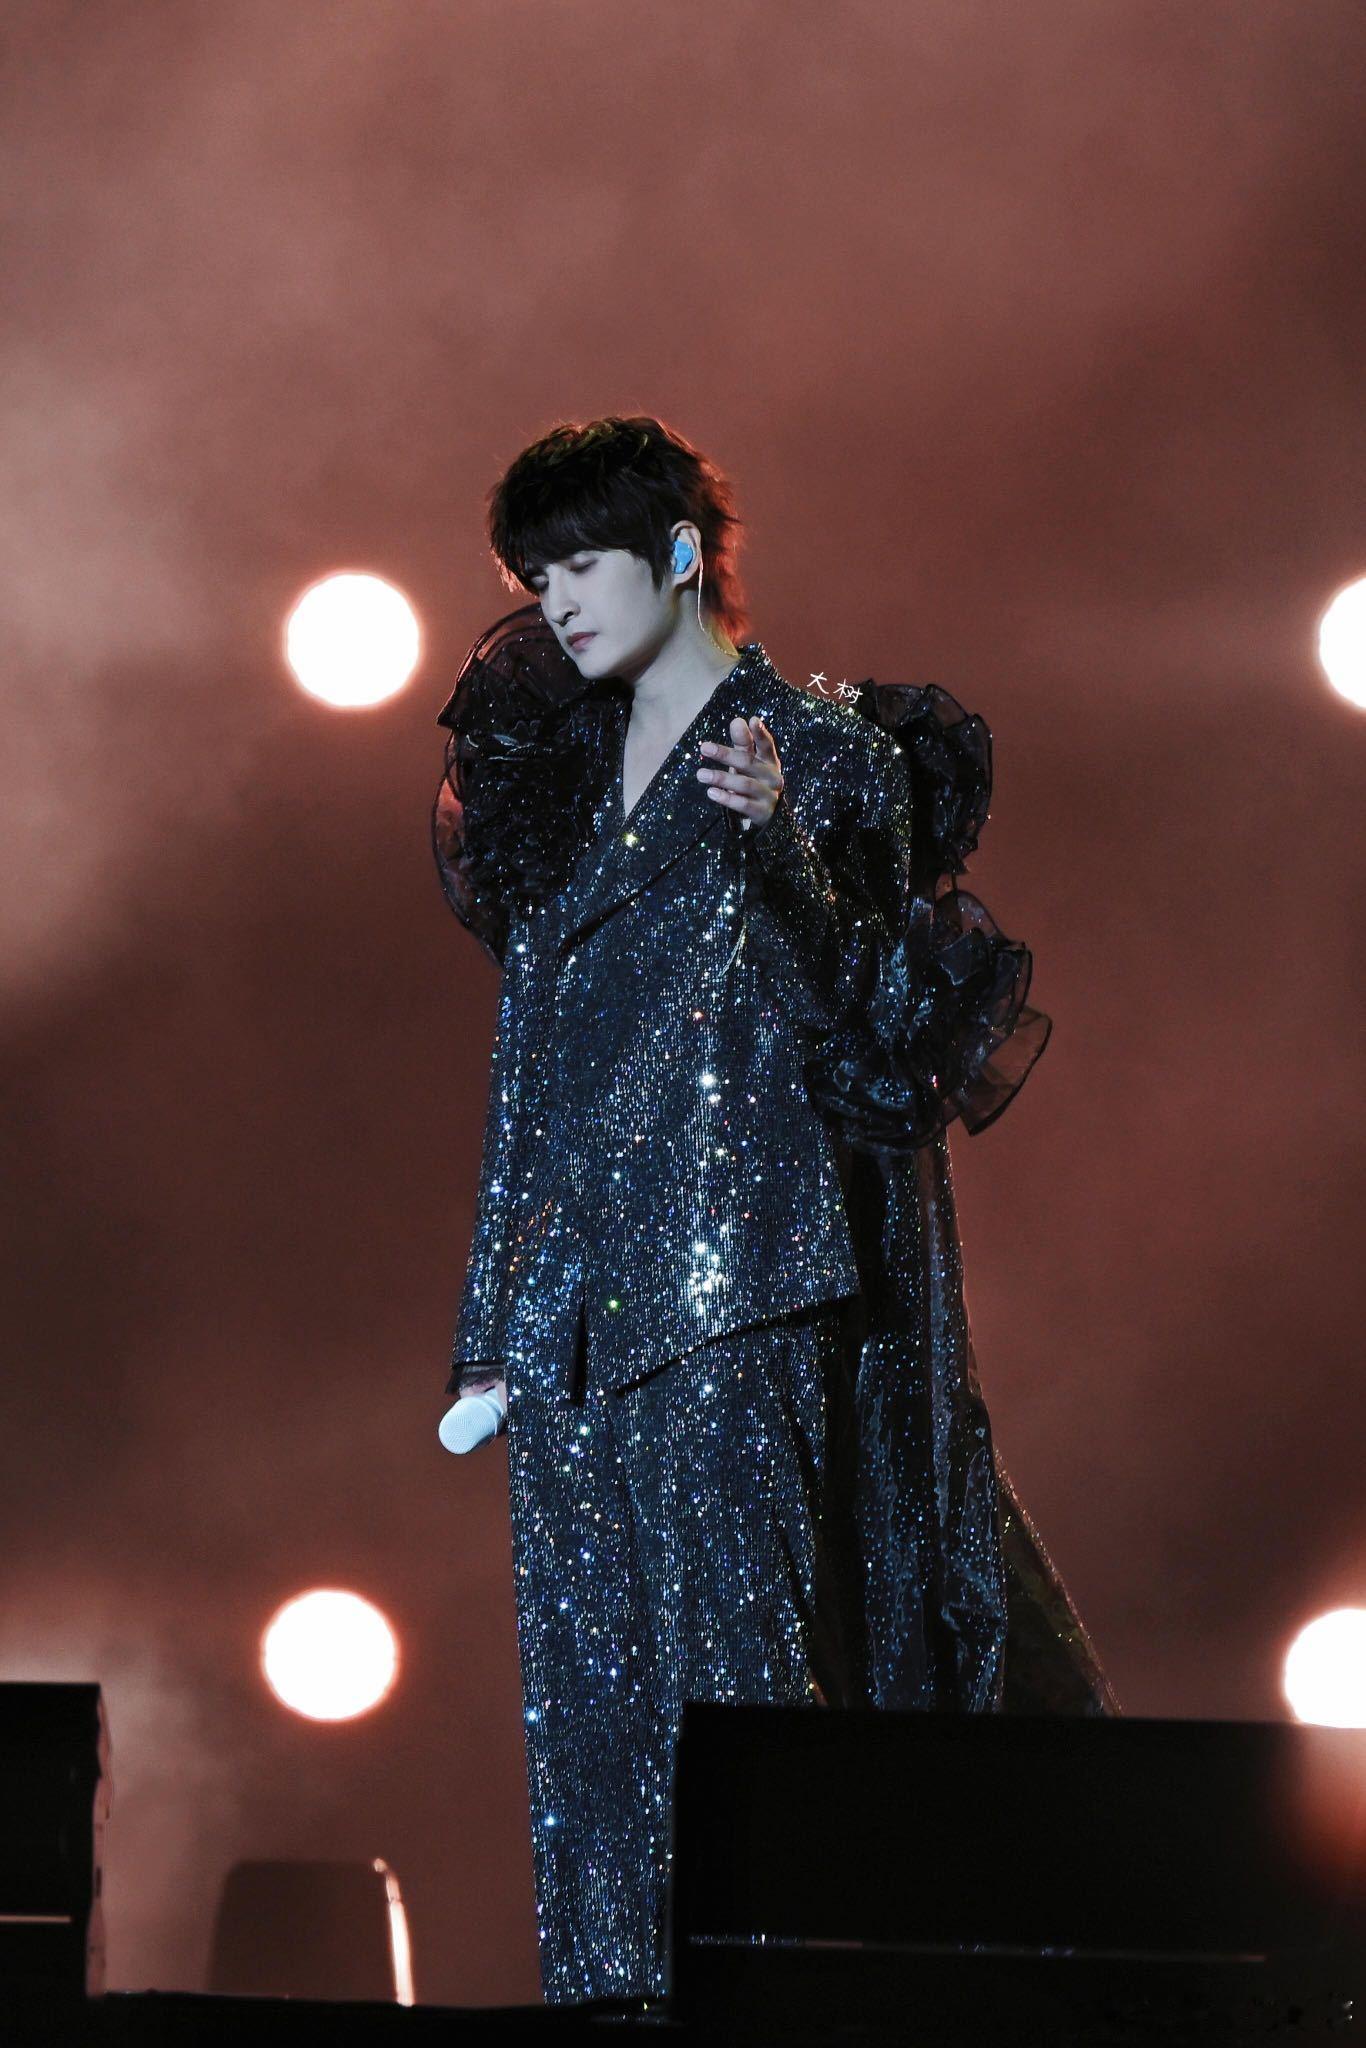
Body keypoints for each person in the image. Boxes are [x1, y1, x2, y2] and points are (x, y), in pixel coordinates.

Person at [432, 415, 1115, 2009]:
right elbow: (528, 1070)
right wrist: (488, 1336)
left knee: (746, 1709)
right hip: (576, 1335)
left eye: (580, 564)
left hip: (752, 1289)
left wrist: (785, 855)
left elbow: (883, 1047)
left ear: (678, 553)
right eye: (535, 577)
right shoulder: (555, 783)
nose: (555, 602)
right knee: (591, 1737)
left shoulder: (829, 756)